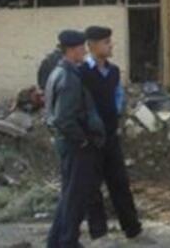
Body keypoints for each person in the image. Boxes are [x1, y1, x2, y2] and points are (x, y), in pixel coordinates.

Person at [80, 26, 151, 244]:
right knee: (92, 187)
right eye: (106, 43)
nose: (110, 46)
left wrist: (116, 113)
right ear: (92, 46)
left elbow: (118, 96)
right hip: (90, 138)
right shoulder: (82, 72)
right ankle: (99, 233)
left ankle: (133, 230)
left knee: (119, 183)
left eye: (110, 42)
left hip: (110, 135)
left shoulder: (113, 71)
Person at [46, 30, 105, 248]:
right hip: (74, 145)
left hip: (66, 142)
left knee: (69, 194)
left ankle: (57, 240)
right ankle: (68, 241)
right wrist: (82, 140)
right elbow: (64, 118)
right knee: (75, 198)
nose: (84, 52)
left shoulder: (58, 73)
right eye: (82, 48)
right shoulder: (69, 77)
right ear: (72, 50)